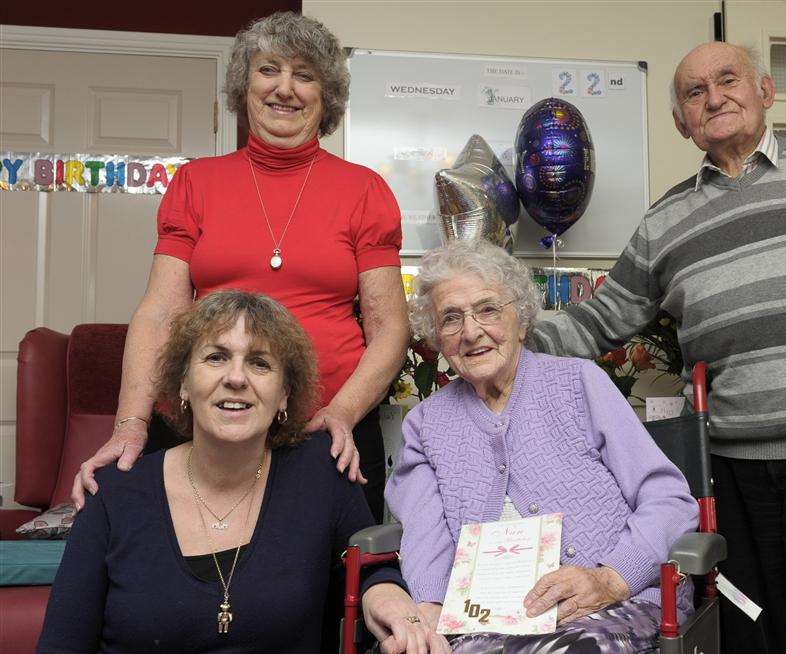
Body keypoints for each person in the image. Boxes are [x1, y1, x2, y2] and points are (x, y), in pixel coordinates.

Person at [529, 41, 786, 653]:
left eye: (728, 80)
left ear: (765, 91)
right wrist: (505, 338)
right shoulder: (664, 222)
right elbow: (601, 321)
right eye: (694, 92)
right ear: (682, 123)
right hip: (734, 487)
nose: (714, 97)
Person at [71, 11, 409, 522]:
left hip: (326, 428)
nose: (285, 88)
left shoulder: (365, 190)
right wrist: (130, 425)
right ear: (243, 84)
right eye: (269, 69)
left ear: (326, 95)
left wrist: (341, 412)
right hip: (204, 424)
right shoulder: (195, 184)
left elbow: (389, 329)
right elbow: (161, 312)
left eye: (305, 74)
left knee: (326, 589)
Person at [38, 290, 447, 653]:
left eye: (259, 363)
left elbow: (370, 568)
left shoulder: (321, 473)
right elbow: (62, 642)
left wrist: (390, 598)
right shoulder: (113, 493)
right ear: (183, 384)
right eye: (216, 357)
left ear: (284, 393)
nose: (236, 378)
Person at [385, 240, 699, 653]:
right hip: (484, 624)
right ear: (437, 339)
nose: (472, 331)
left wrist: (609, 578)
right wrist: (430, 607)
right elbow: (425, 536)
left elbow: (669, 501)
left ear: (522, 321)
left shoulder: (578, 383)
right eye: (451, 318)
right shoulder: (426, 425)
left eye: (488, 309)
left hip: (614, 606)